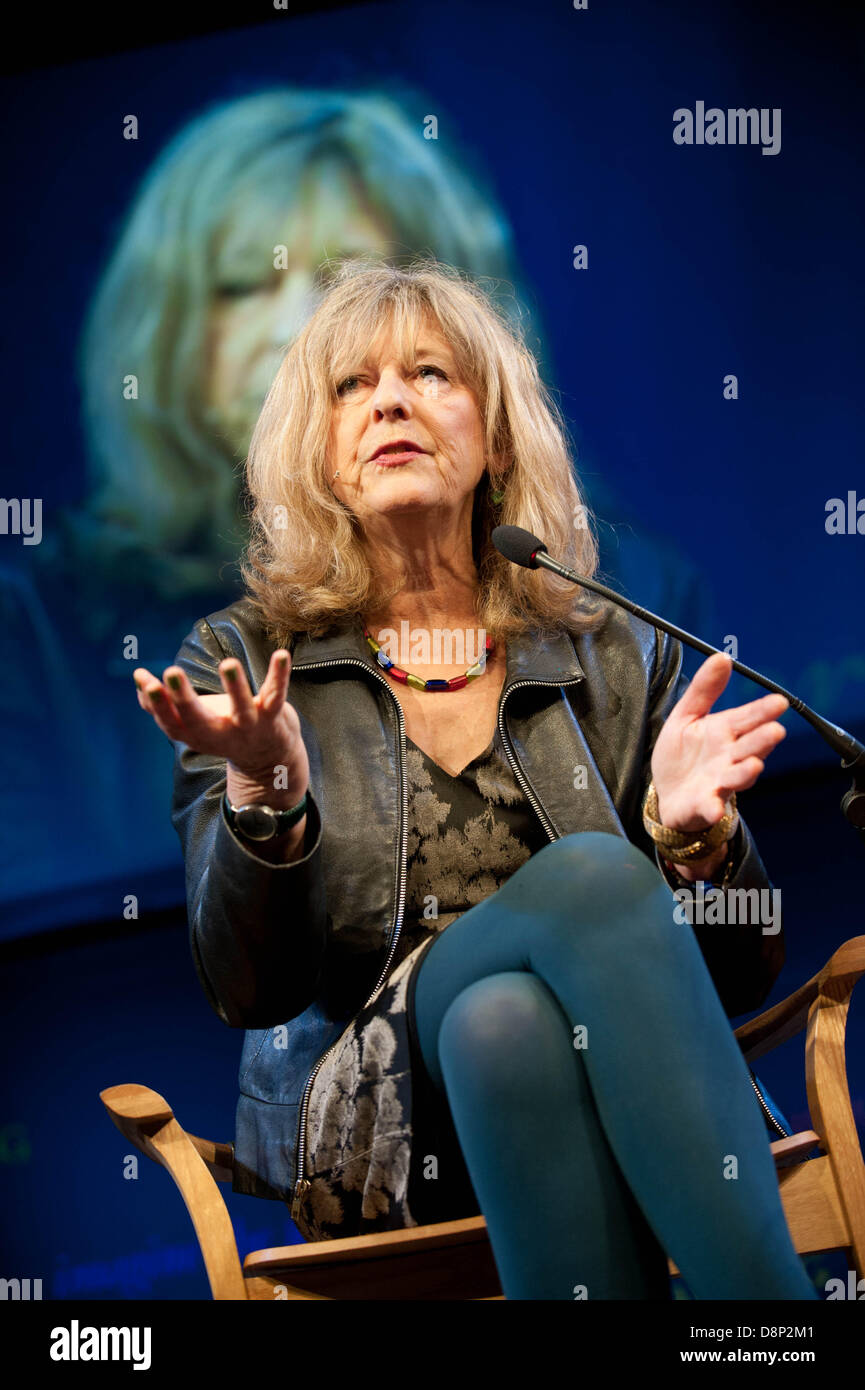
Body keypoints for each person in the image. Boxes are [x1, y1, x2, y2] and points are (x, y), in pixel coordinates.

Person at [133, 258, 816, 1300]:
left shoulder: (615, 654)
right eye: (351, 387)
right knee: (590, 876)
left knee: (507, 1025)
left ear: (494, 436)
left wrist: (696, 846)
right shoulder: (242, 659)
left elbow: (731, 979)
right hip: (374, 1118)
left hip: (560, 1073)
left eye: (429, 374)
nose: (391, 401)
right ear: (318, 451)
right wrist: (268, 801)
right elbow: (248, 987)